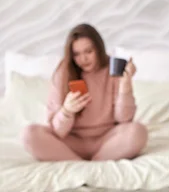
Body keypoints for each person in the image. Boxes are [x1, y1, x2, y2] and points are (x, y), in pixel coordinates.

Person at [22, 24, 147, 161]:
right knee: (29, 134)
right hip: (71, 142)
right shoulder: (63, 72)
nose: (83, 59)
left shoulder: (112, 68)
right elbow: (58, 131)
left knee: (138, 132)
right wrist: (66, 111)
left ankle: (94, 163)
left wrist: (125, 86)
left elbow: (124, 119)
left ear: (99, 49)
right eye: (77, 54)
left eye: (88, 51)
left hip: (107, 141)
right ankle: (79, 164)